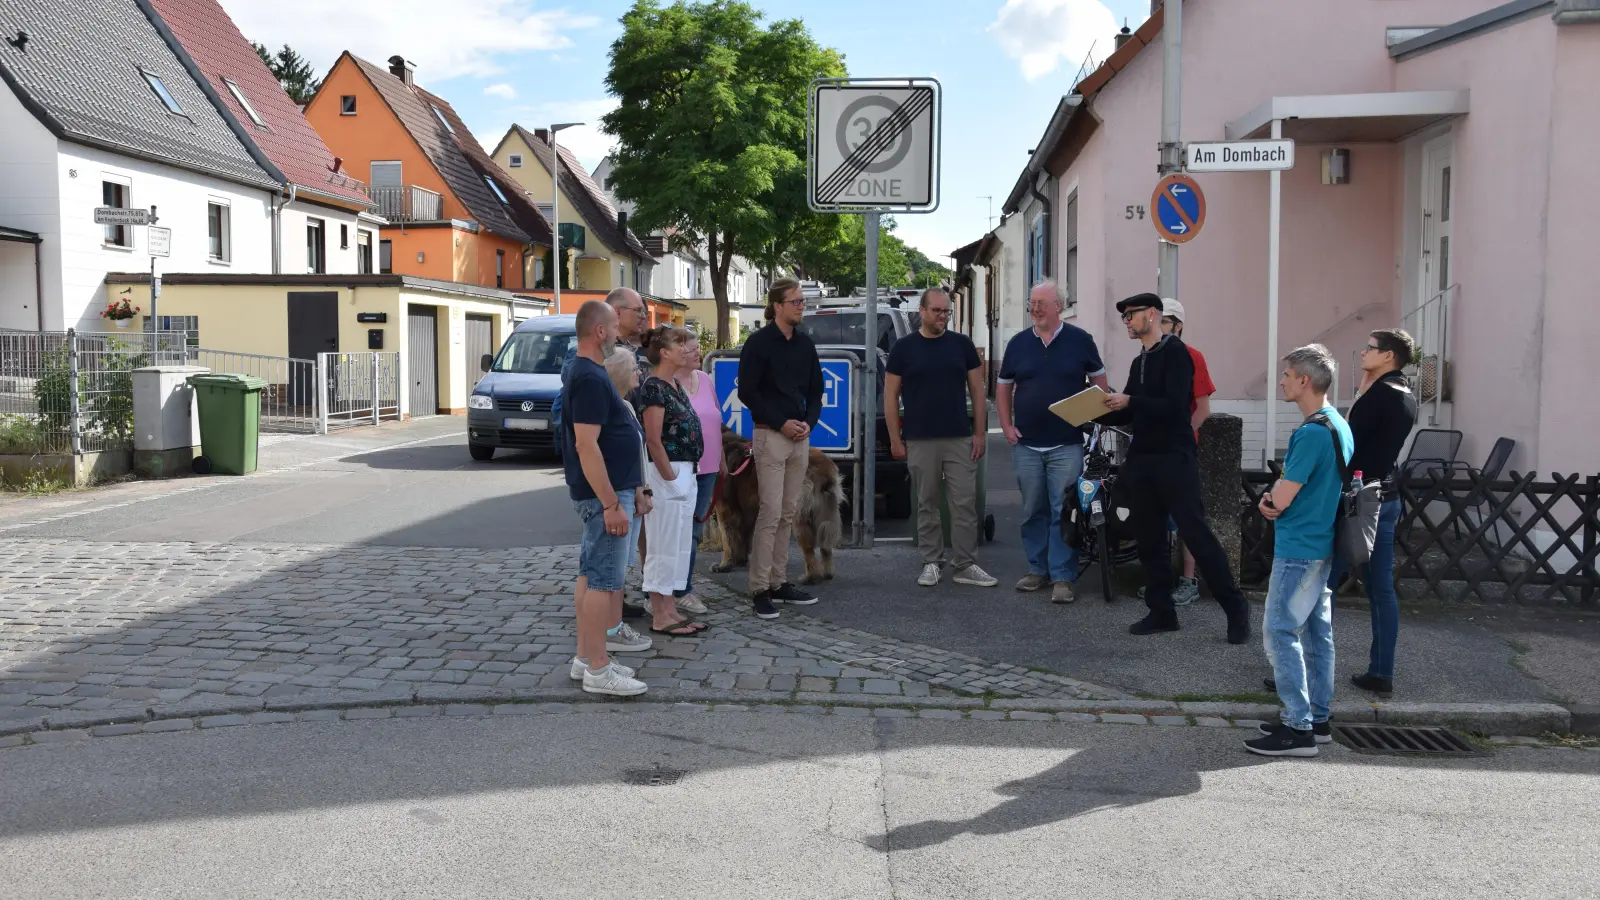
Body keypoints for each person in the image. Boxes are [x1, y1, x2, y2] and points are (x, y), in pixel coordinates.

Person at [1101, 292, 1250, 642]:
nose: (1126, 322)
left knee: (1195, 534)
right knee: (1150, 537)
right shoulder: (1141, 360)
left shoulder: (1176, 354)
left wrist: (1131, 400)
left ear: (1151, 315)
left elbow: (1174, 406)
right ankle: (1161, 611)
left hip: (1174, 457)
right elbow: (1131, 410)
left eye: (1131, 315)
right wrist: (1098, 410)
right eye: (1123, 317)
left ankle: (1235, 608)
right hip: (1143, 458)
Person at [1246, 344, 1352, 758]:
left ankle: (1297, 727)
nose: (1283, 382)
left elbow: (1283, 496)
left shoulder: (1309, 433)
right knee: (1315, 633)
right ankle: (1317, 719)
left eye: (1287, 376)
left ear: (1305, 381)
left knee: (1280, 631)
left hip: (1299, 545)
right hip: (1323, 542)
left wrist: (1268, 502)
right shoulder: (1338, 424)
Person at [996, 280, 1109, 604]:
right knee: (1033, 510)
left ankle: (1062, 576)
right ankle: (1037, 570)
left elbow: (1099, 381)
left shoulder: (1080, 341)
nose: (1035, 308)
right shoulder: (1018, 343)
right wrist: (1005, 425)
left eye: (1041, 303)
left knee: (1064, 510)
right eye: (1032, 302)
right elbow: (1003, 387)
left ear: (1059, 306)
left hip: (1067, 444)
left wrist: (1095, 416)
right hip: (1028, 444)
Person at [560, 300, 650, 697]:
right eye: (614, 327)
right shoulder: (592, 378)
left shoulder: (584, 371)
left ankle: (586, 658)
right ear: (599, 331)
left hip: (602, 495)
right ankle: (599, 668)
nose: (618, 334)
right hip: (603, 498)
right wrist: (612, 503)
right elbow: (586, 445)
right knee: (601, 581)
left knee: (589, 574)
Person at [886, 287, 999, 588]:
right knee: (927, 502)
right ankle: (931, 562)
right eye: (937, 310)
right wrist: (895, 439)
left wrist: (979, 434)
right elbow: (890, 395)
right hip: (920, 438)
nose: (942, 316)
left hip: (959, 436)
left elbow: (978, 391)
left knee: (964, 503)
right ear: (921, 311)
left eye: (947, 311)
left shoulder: (961, 345)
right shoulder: (904, 348)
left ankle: (965, 564)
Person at [1332, 328, 1418, 696]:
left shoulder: (1375, 397)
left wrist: (1363, 391)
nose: (1364, 353)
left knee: (1323, 583)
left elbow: (1348, 443)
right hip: (1387, 496)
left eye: (1370, 349)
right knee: (1381, 588)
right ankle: (1382, 671)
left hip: (1357, 500)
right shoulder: (1407, 396)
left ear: (1388, 356)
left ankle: (1297, 666)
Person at [737, 277, 823, 619]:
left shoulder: (805, 344)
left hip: (799, 438)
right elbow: (748, 392)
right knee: (770, 513)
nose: (802, 307)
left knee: (788, 512)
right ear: (777, 306)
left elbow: (816, 390)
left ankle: (779, 581)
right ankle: (759, 588)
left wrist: (808, 422)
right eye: (796, 302)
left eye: (803, 302)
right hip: (770, 436)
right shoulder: (758, 343)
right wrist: (780, 421)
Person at [1137, 298, 1215, 607]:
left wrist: (1182, 438)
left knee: (1187, 520)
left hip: (1178, 453)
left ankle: (1189, 581)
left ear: (1178, 326)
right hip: (1152, 452)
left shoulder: (1191, 356)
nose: (1159, 326)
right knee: (1155, 517)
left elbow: (1204, 409)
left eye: (1165, 321)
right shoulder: (1146, 356)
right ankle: (1160, 581)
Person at [638, 324, 711, 637]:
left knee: (679, 545)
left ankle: (669, 609)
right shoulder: (654, 386)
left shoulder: (674, 385)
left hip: (685, 471)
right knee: (662, 544)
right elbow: (653, 439)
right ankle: (660, 613)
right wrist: (669, 477)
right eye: (679, 343)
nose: (686, 348)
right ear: (664, 352)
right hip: (670, 472)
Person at [674, 338, 723, 616]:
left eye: (696, 347)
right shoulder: (666, 384)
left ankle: (684, 587)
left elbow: (717, 420)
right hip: (680, 469)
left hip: (710, 468)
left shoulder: (705, 379)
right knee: (676, 532)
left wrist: (723, 461)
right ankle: (675, 589)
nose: (697, 352)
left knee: (694, 532)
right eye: (690, 348)